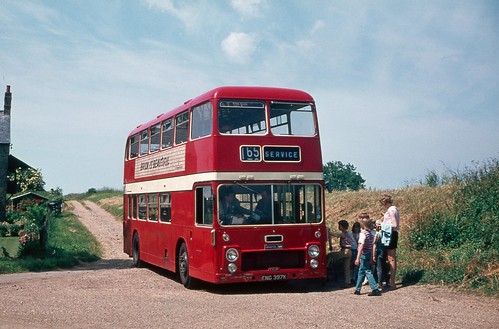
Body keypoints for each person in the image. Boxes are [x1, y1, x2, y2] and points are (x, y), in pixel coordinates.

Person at [353, 217, 381, 296]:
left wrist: (357, 258)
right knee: (361, 272)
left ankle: (375, 289)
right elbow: (372, 246)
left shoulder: (363, 234)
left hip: (364, 255)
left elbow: (361, 246)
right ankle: (357, 289)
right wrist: (372, 257)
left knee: (368, 272)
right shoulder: (371, 234)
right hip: (369, 254)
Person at [380, 194, 400, 289]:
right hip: (393, 234)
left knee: (391, 258)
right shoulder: (394, 209)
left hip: (391, 235)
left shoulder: (391, 210)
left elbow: (394, 224)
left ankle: (392, 282)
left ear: (385, 202)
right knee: (391, 257)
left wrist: (382, 224)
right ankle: (391, 281)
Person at [327, 219, 352, 287]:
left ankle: (327, 266)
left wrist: (328, 230)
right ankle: (348, 282)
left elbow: (334, 234)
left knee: (330, 255)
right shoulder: (348, 233)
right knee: (347, 267)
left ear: (342, 226)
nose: (338, 227)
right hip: (350, 251)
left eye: (339, 226)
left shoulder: (343, 234)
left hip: (345, 251)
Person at [373, 219, 389, 290]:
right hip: (384, 251)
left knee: (379, 268)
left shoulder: (377, 234)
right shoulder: (385, 234)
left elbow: (375, 245)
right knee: (384, 266)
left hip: (379, 252)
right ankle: (387, 281)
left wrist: (373, 255)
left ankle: (379, 283)